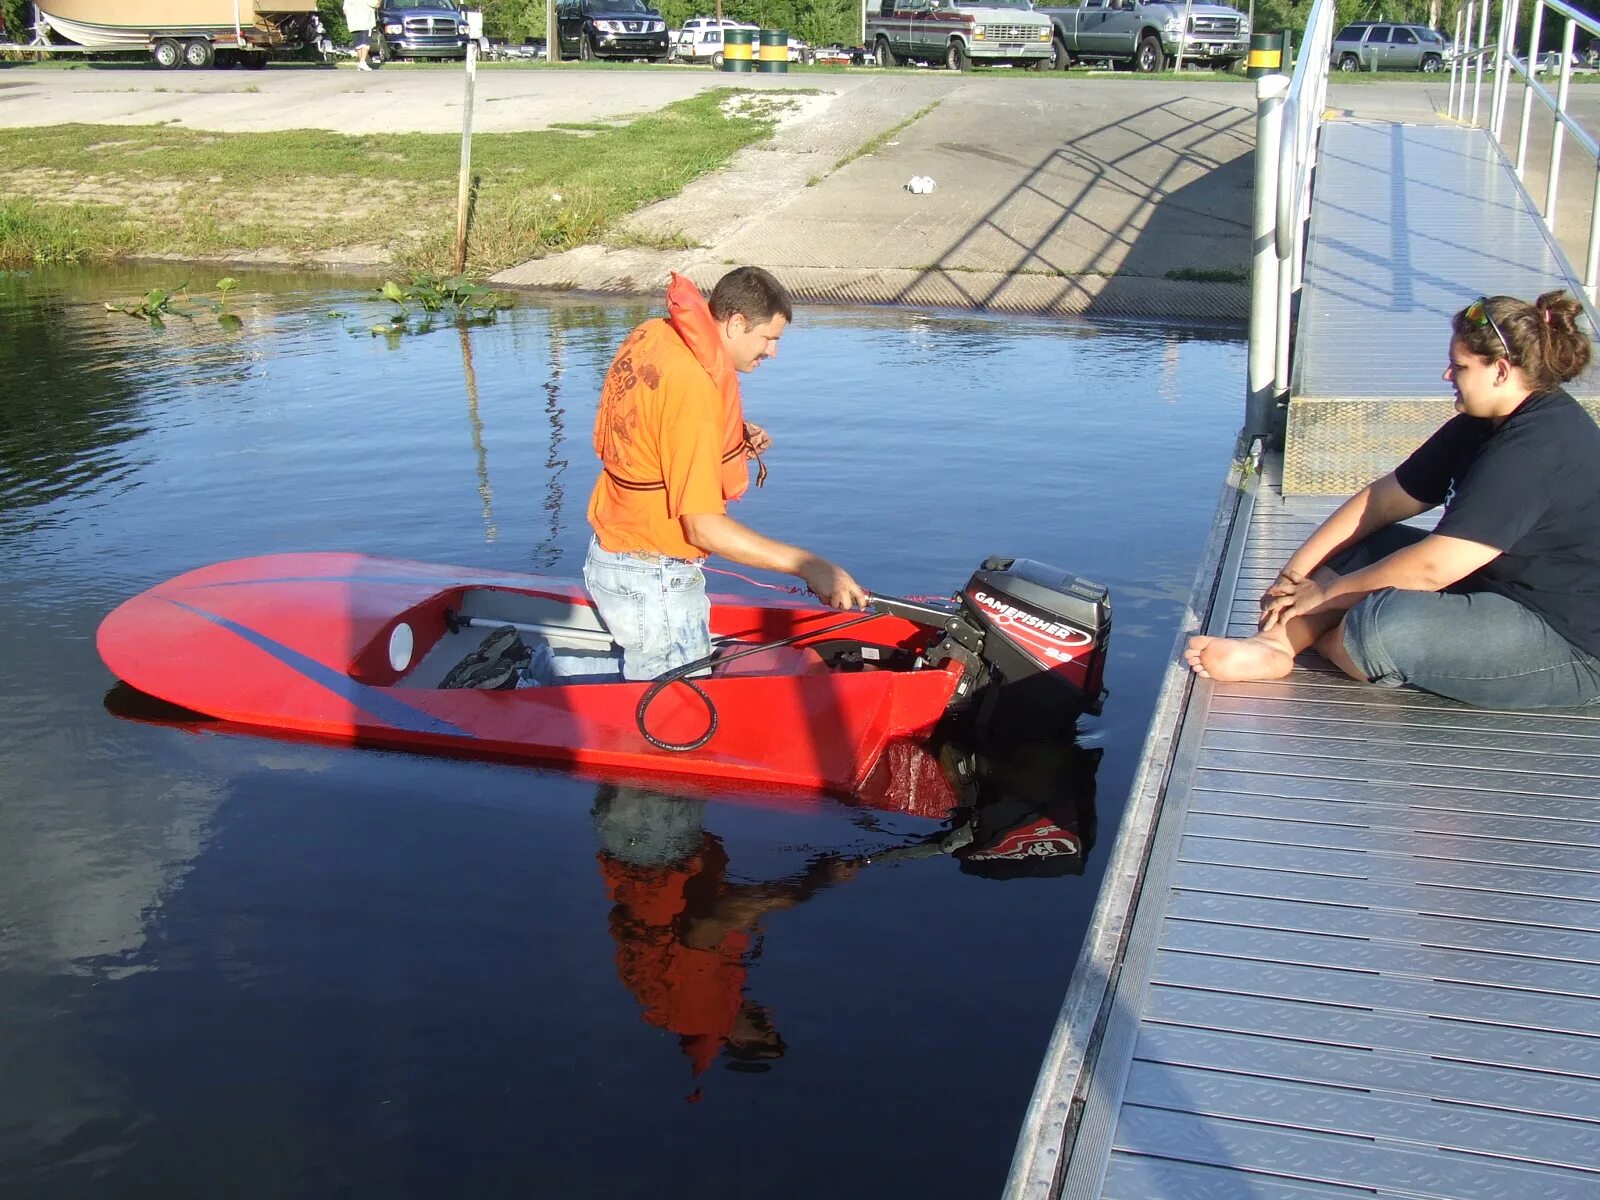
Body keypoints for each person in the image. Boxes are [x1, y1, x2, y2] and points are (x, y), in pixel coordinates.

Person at [1186, 290, 1600, 710]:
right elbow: (1381, 502)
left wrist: (1326, 596)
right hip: (1495, 588)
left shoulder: (1536, 450)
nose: (1445, 375)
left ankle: (1341, 638)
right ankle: (1275, 645)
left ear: (1500, 371)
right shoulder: (1483, 422)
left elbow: (1434, 567)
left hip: (1567, 644)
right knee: (1362, 547)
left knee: (1386, 627)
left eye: (1459, 366)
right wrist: (1293, 576)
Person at [581, 267, 867, 682]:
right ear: (735, 323)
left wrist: (729, 435)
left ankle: (531, 671)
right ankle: (524, 688)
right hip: (652, 575)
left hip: (611, 553)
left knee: (642, 670)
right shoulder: (693, 389)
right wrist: (810, 566)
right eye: (768, 338)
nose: (772, 353)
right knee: (673, 708)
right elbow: (704, 529)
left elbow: (653, 424)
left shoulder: (655, 334)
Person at [342, 0, 377, 70]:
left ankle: (361, 63)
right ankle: (363, 62)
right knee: (365, 43)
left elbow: (344, 11)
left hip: (353, 23)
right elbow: (374, 4)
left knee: (358, 43)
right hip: (366, 22)